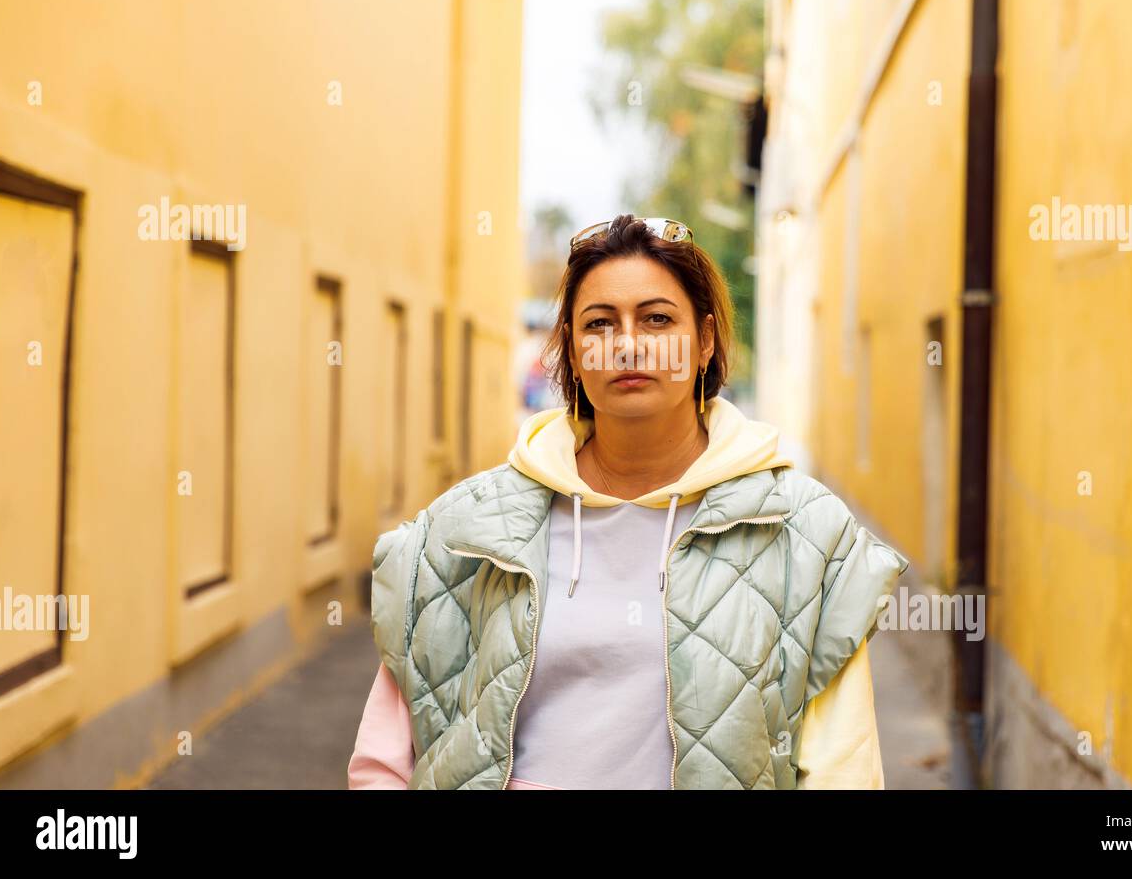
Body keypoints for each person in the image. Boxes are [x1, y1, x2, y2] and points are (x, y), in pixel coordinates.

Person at [347, 214, 909, 789]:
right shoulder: (468, 528)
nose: (628, 345)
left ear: (705, 341)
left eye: (658, 319)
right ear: (571, 348)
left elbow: (844, 769)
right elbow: (386, 760)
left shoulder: (803, 534)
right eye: (599, 324)